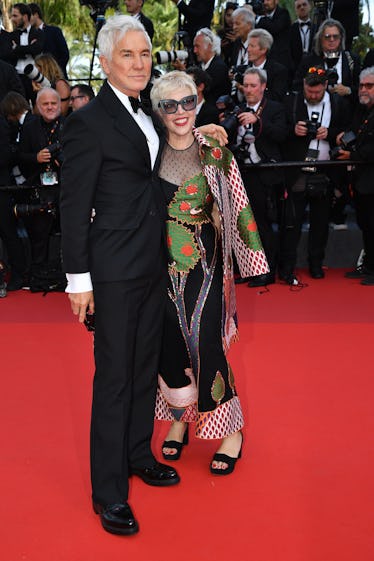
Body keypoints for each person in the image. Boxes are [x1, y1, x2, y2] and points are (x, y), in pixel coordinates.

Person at [60, 15, 225, 536]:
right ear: (105, 61)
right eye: (128, 55)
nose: (139, 64)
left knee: (142, 367)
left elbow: (165, 167)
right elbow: (73, 204)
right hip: (110, 270)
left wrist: (204, 133)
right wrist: (77, 279)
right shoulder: (87, 124)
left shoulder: (149, 115)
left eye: (145, 54)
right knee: (113, 379)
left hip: (155, 262)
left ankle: (137, 454)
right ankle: (108, 492)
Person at [150, 70, 268, 474]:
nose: (180, 111)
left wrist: (251, 259)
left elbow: (238, 204)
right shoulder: (148, 151)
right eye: (170, 104)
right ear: (158, 110)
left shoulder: (215, 152)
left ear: (196, 104)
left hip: (206, 259)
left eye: (187, 102)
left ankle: (229, 430)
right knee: (167, 343)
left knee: (204, 341)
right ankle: (180, 420)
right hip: (156, 264)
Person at [279, 66, 349, 283]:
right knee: (291, 222)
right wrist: (294, 130)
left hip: (325, 170)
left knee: (321, 222)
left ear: (326, 86)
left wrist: (331, 133)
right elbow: (280, 131)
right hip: (297, 170)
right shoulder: (291, 101)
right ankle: (287, 267)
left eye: (317, 92)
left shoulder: (338, 104)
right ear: (303, 86)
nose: (313, 95)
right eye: (309, 92)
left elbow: (347, 130)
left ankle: (316, 264)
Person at [232, 67, 288, 287]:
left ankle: (267, 270)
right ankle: (248, 268)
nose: (248, 90)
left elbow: (281, 135)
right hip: (241, 172)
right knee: (243, 225)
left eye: (253, 85)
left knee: (262, 224)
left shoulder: (274, 108)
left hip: (264, 174)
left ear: (263, 86)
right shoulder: (237, 109)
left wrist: (257, 121)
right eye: (245, 85)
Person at [337, 67, 374, 286]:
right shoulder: (362, 112)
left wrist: (352, 154)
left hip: (370, 181)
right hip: (362, 182)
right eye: (361, 86)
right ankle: (368, 266)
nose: (363, 90)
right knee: (366, 226)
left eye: (369, 86)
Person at [293, 18, 360, 105]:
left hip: (346, 110)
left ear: (341, 38)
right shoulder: (308, 61)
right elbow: (297, 86)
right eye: (327, 36)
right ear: (320, 39)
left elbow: (361, 88)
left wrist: (348, 90)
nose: (332, 40)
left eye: (335, 36)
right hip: (316, 108)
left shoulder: (351, 59)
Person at [8, 3, 44, 103]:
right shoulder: (11, 36)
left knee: (38, 105)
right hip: (17, 77)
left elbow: (37, 49)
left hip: (35, 76)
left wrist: (17, 48)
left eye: (15, 16)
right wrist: (28, 48)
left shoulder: (38, 33)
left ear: (24, 17)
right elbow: (9, 53)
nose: (12, 19)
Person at [246, 28, 288, 102]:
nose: (248, 50)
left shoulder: (278, 71)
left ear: (264, 49)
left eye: (252, 46)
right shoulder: (244, 70)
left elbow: (277, 98)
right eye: (248, 46)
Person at [29, 2, 70, 78]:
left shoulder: (54, 31)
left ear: (36, 15)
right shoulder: (28, 36)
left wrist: (54, 71)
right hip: (36, 79)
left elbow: (65, 54)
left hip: (57, 78)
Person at [193, 28, 231, 104]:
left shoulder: (219, 68)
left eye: (197, 46)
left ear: (209, 46)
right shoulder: (199, 67)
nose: (195, 51)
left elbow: (203, 90)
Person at [255, 0, 292, 74]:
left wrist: (258, 18)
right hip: (265, 62)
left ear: (276, 1)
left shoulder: (283, 13)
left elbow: (275, 27)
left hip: (282, 61)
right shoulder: (262, 17)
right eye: (264, 1)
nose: (265, 3)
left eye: (268, 0)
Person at [289, 0, 317, 72]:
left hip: (314, 66)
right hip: (296, 68)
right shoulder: (290, 29)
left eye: (304, 5)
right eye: (298, 6)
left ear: (310, 7)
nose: (302, 8)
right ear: (295, 10)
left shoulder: (317, 28)